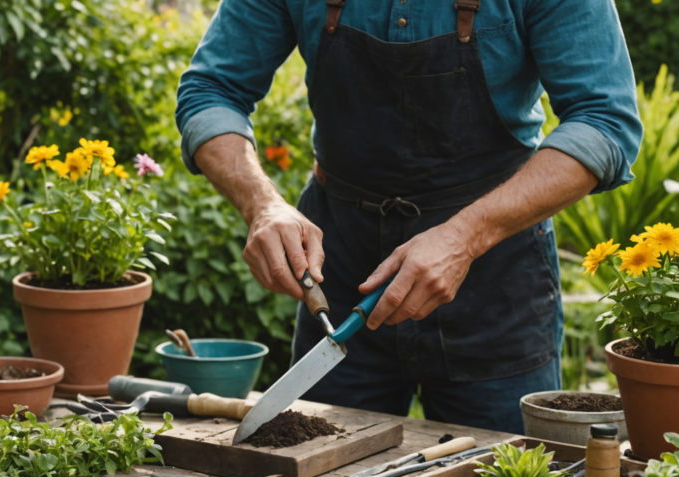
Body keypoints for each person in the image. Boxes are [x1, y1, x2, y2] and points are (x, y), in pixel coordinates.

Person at [175, 0, 642, 433]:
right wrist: (263, 204)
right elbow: (212, 88)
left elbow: (604, 119)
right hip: (343, 273)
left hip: (496, 283)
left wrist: (465, 236)